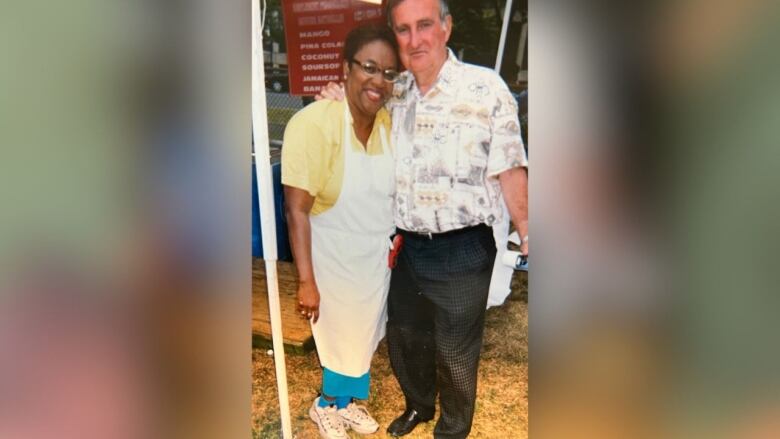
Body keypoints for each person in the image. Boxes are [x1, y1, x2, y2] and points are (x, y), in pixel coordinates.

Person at [318, 1, 529, 437]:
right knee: (405, 339)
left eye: (424, 25)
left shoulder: (485, 89)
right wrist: (335, 98)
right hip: (408, 246)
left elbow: (510, 167)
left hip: (463, 247)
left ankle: (452, 428)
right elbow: (358, 108)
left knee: (455, 351)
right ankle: (419, 405)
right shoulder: (396, 95)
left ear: (446, 28)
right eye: (403, 29)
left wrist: (529, 230)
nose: (415, 39)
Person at [281, 24, 402, 439]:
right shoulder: (314, 123)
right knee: (336, 333)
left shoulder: (389, 123)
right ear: (345, 68)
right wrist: (306, 281)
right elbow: (296, 209)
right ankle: (325, 405)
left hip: (373, 259)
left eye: (389, 73)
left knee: (362, 334)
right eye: (369, 67)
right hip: (330, 255)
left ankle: (346, 403)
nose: (378, 80)